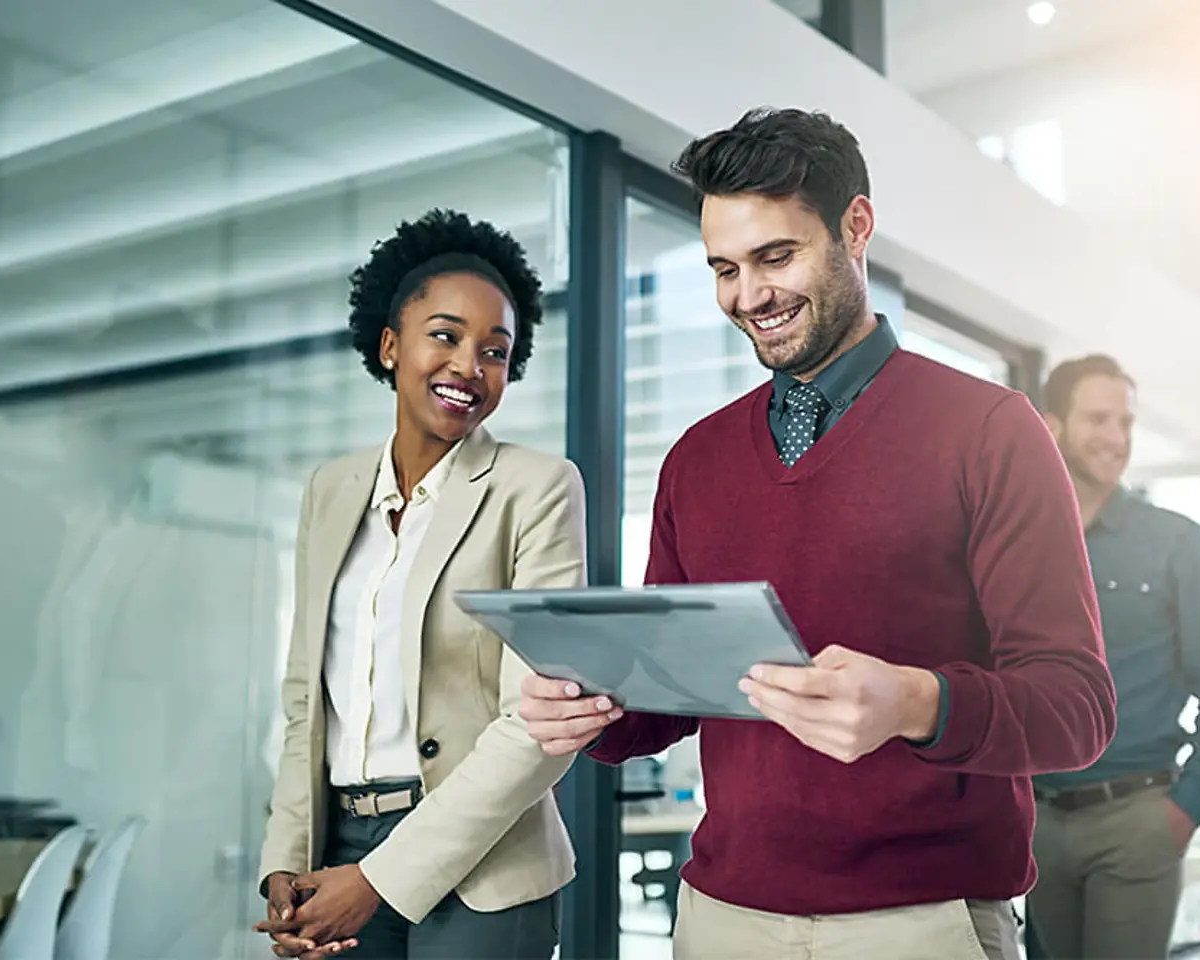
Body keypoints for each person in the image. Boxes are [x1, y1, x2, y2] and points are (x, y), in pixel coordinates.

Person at [519, 107, 1117, 960]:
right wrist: (591, 705)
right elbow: (669, 697)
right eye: (724, 268)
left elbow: (1077, 707)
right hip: (723, 918)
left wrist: (917, 703)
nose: (748, 296)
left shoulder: (991, 429)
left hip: (923, 922)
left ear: (856, 227)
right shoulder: (697, 458)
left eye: (776, 256)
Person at [253, 209, 587, 960]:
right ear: (390, 344)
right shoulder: (330, 490)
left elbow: (542, 724)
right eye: (445, 335)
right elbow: (306, 694)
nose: (470, 365)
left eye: (495, 351)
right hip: (334, 847)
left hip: (486, 864)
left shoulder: (536, 489)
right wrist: (287, 856)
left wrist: (380, 878)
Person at [1024, 355, 1200, 959]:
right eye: (1099, 419)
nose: (1117, 439)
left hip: (1138, 817)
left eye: (1125, 423)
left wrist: (1187, 807)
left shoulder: (1177, 541)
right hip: (1035, 822)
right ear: (1052, 424)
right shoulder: (1016, 536)